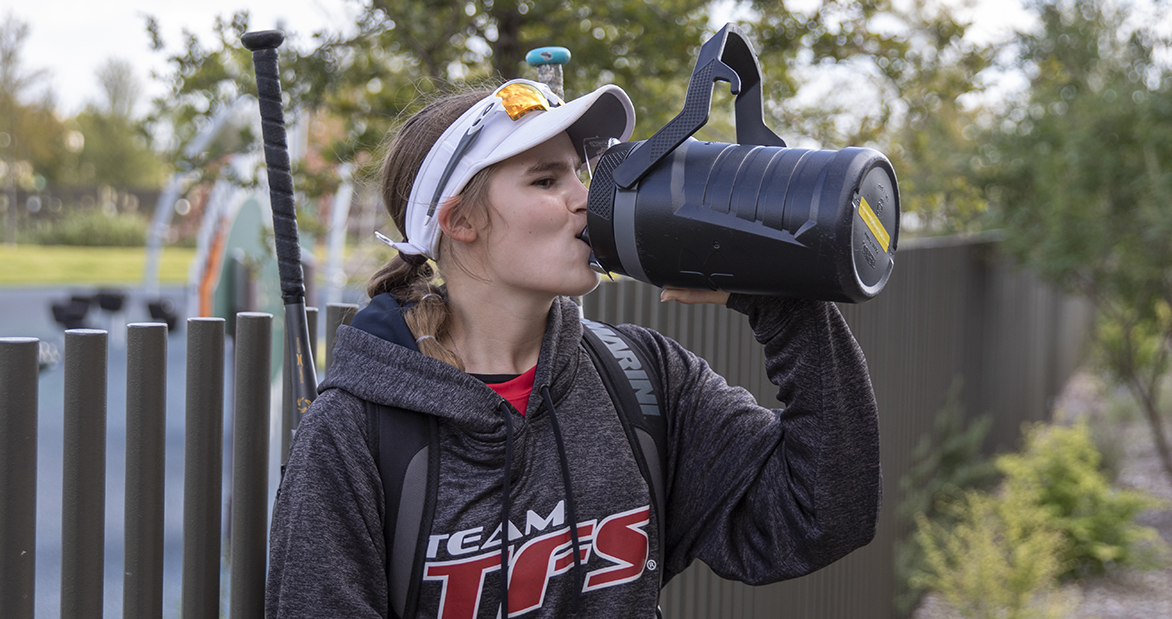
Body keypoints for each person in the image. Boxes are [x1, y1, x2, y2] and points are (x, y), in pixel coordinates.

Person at [266, 78, 881, 619]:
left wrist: (781, 303)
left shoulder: (642, 379)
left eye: (579, 172)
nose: (586, 198)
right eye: (546, 179)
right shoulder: (354, 433)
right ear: (459, 222)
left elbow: (820, 515)